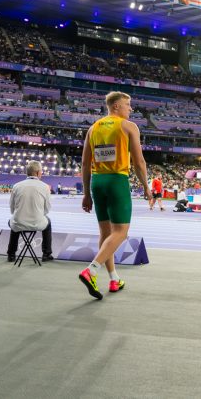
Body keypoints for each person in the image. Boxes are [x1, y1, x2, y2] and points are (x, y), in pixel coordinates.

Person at [79, 91, 151, 300]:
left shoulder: (93, 128)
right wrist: (146, 186)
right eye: (128, 105)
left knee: (106, 233)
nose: (131, 109)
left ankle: (113, 278)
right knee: (120, 232)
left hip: (97, 181)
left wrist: (86, 194)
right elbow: (139, 162)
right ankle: (91, 270)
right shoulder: (129, 126)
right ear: (117, 106)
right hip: (117, 180)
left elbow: (84, 163)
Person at [6, 161, 54, 262]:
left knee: (14, 220)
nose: (42, 173)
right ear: (36, 172)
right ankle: (46, 253)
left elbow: (12, 208)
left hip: (18, 223)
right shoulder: (45, 187)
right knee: (48, 222)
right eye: (41, 171)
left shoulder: (16, 186)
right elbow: (47, 209)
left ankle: (11, 254)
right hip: (37, 223)